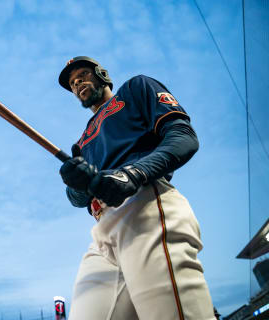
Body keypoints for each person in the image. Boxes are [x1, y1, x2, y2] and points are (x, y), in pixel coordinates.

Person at [58, 56, 215, 320]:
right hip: (102, 233)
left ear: (102, 74)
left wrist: (133, 173)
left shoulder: (134, 89)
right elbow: (78, 198)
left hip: (145, 208)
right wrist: (75, 183)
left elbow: (183, 136)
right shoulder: (82, 141)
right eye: (73, 84)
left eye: (83, 75)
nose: (77, 84)